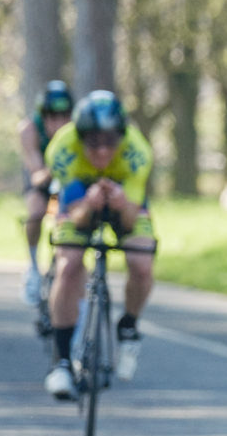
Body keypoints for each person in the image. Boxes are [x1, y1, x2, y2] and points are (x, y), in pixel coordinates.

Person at [43, 90, 158, 398]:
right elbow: (74, 215)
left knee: (142, 261)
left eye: (110, 141)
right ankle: (62, 362)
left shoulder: (137, 152)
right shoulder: (62, 150)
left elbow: (131, 220)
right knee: (68, 265)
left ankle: (128, 325)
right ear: (80, 138)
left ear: (122, 137)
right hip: (80, 196)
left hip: (124, 196)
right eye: (93, 142)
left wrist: (121, 204)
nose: (103, 151)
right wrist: (88, 205)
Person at [19, 80, 75, 304]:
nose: (59, 122)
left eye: (65, 115)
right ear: (43, 116)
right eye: (53, 116)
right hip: (43, 179)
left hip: (68, 181)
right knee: (36, 212)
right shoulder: (29, 129)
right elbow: (36, 173)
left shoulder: (77, 130)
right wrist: (53, 169)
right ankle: (33, 267)